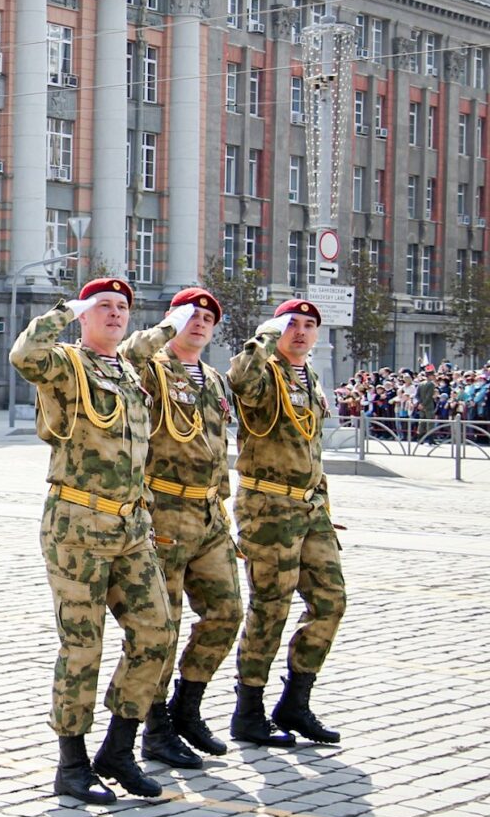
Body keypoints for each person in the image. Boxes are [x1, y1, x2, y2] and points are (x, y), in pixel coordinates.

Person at [10, 278, 174, 805]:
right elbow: (24, 354)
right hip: (77, 524)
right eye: (103, 306)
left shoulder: (126, 370)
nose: (115, 314)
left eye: (122, 307)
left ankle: (119, 749)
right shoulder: (66, 364)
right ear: (84, 315)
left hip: (130, 525)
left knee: (156, 632)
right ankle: (72, 762)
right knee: (83, 645)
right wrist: (65, 310)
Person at [117, 288, 242, 770]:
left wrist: (224, 511)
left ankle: (187, 707)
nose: (201, 322)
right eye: (191, 314)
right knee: (161, 627)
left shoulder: (212, 378)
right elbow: (129, 352)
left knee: (226, 612)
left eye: (209, 316)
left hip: (209, 515)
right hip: (164, 512)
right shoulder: (152, 367)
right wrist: (166, 329)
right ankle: (155, 726)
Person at [228, 299, 346, 746]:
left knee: (332, 601)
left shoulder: (309, 375)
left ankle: (295, 702)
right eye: (292, 324)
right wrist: (264, 337)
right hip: (269, 508)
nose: (300, 332)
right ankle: (249, 711)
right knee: (270, 608)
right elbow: (239, 381)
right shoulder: (265, 371)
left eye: (309, 325)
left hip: (311, 508)